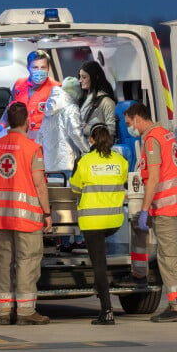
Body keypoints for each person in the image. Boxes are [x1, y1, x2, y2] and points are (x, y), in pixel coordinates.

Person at [0, 101, 53, 326]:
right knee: (27, 260)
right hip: (26, 218)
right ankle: (25, 310)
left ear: (8, 123)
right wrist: (47, 213)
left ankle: (4, 311)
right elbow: (39, 184)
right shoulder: (32, 148)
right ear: (27, 122)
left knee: (4, 261)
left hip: (0, 216)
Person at [123, 103, 177, 323]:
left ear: (138, 119)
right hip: (176, 203)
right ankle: (176, 303)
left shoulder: (151, 140)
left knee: (168, 256)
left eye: (129, 123)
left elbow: (154, 179)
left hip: (166, 206)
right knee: (171, 254)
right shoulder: (166, 134)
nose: (130, 128)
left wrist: (144, 210)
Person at [69, 123, 128, 325]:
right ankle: (99, 286)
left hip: (92, 221)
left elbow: (75, 188)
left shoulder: (85, 161)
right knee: (101, 261)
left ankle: (107, 311)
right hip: (114, 220)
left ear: (92, 141)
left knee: (99, 266)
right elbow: (122, 182)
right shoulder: (121, 161)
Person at [0, 50, 60, 139]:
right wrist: (1, 125)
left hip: (45, 141)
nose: (39, 71)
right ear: (28, 67)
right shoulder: (19, 85)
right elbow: (10, 108)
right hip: (21, 138)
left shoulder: (56, 88)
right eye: (35, 67)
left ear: (48, 68)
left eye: (43, 67)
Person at [37, 76, 89, 176]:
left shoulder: (48, 109)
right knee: (67, 191)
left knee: (54, 190)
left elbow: (40, 137)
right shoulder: (72, 108)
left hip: (48, 165)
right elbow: (76, 133)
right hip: (67, 163)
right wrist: (87, 150)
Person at [78, 60, 116, 138]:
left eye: (84, 77)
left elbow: (111, 130)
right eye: (80, 77)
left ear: (95, 77)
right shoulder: (82, 99)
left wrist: (87, 129)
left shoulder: (107, 102)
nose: (80, 80)